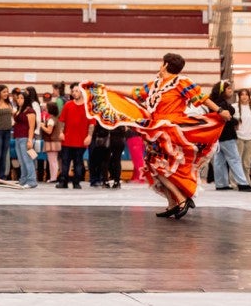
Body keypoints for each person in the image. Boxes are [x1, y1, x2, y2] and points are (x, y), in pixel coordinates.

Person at [81, 53, 230, 218]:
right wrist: (110, 90)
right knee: (154, 166)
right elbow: (135, 94)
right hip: (156, 131)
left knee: (159, 167)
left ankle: (181, 199)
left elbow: (201, 98)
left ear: (165, 65)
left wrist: (219, 110)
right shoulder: (155, 84)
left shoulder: (181, 81)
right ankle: (173, 203)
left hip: (171, 129)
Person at [210, 81, 251, 192]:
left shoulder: (216, 102)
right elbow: (226, 118)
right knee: (235, 159)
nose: (231, 91)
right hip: (227, 135)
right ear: (222, 90)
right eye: (228, 89)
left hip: (218, 135)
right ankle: (243, 184)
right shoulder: (222, 103)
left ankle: (221, 184)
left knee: (220, 160)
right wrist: (236, 121)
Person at [56, 85, 94, 189]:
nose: (74, 93)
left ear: (82, 92)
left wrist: (89, 136)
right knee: (65, 162)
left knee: (78, 163)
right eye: (73, 91)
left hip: (81, 140)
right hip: (67, 140)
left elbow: (92, 124)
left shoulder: (88, 107)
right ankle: (63, 181)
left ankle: (76, 182)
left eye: (77, 91)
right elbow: (62, 120)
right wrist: (61, 132)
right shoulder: (68, 105)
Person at [13, 91, 38, 189]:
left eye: (21, 98)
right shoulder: (19, 110)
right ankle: (23, 180)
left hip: (26, 138)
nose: (19, 100)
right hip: (18, 137)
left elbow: (32, 127)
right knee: (21, 161)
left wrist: (30, 140)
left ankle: (32, 181)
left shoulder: (30, 111)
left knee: (27, 160)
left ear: (26, 99)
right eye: (18, 98)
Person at [233, 88, 251, 184]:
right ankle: (234, 183)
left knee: (247, 162)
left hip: (250, 138)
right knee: (237, 161)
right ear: (239, 96)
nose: (244, 97)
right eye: (242, 94)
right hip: (238, 138)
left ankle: (247, 182)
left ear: (249, 97)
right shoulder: (234, 107)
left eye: (246, 95)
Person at [40, 102, 60, 182]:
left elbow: (49, 131)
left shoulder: (51, 120)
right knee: (53, 160)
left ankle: (53, 178)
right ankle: (53, 177)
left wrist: (42, 126)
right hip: (55, 142)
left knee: (52, 161)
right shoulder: (56, 118)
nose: (45, 109)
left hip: (51, 142)